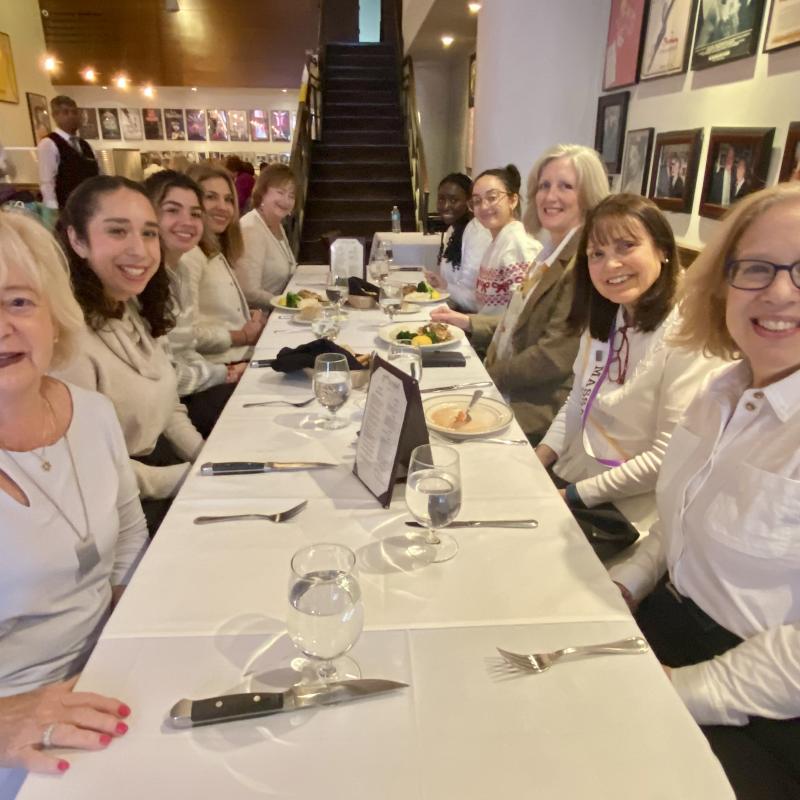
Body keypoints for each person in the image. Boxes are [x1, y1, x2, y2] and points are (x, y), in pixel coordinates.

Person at [610, 183, 800, 799]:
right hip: (666, 625)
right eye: (757, 268)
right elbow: (684, 515)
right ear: (723, 282)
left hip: (766, 710)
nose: (779, 292)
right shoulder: (721, 389)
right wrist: (627, 581)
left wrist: (678, 691)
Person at [0, 211, 144, 787]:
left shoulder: (91, 412)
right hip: (21, 735)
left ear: (55, 318)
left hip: (111, 674)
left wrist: (137, 628)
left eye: (17, 302)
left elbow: (130, 530)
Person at [536, 194, 720, 529]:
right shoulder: (611, 312)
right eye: (597, 254)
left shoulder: (690, 331)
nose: (611, 265)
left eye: (626, 246)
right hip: (581, 475)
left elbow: (667, 458)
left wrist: (571, 496)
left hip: (635, 513)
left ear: (662, 249)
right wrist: (539, 459)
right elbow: (578, 399)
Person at [54, 175, 204, 535]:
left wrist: (205, 456)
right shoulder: (66, 341)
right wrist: (188, 478)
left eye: (149, 233)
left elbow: (169, 407)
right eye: (118, 231)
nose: (140, 250)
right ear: (77, 239)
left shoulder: (131, 307)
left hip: (159, 474)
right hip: (116, 509)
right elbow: (88, 467)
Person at [434, 145, 609, 443]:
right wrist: (468, 323)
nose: (550, 196)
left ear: (588, 195)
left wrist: (487, 375)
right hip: (508, 388)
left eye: (565, 186)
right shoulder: (549, 254)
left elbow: (552, 358)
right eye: (544, 185)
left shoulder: (583, 263)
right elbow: (515, 321)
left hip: (535, 411)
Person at [144, 170, 244, 438]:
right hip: (166, 415)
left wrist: (223, 373)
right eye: (172, 210)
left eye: (194, 214)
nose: (186, 222)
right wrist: (225, 372)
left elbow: (185, 350)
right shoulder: (145, 284)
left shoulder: (179, 272)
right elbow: (167, 381)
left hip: (191, 389)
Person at [184, 163, 265, 365]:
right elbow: (186, 335)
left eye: (228, 199)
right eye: (210, 197)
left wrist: (247, 314)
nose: (222, 206)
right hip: (220, 370)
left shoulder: (214, 250)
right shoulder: (190, 256)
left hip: (241, 359)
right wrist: (242, 336)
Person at [425, 173, 491, 313]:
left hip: (471, 319)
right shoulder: (453, 230)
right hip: (452, 308)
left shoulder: (478, 233)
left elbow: (476, 299)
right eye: (441, 199)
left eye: (454, 200)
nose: (446, 206)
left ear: (469, 202)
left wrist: (445, 286)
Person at [236, 163, 298, 309]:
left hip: (276, 312)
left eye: (291, 195)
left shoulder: (277, 224)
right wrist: (291, 303)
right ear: (262, 193)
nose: (286, 200)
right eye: (280, 192)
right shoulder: (251, 228)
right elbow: (248, 291)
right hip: (259, 320)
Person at [36, 95, 100, 211]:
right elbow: (47, 182)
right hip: (65, 208)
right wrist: (53, 211)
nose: (72, 116)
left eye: (74, 112)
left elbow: (99, 176)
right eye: (66, 112)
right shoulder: (49, 144)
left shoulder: (86, 145)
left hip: (89, 207)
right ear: (55, 116)